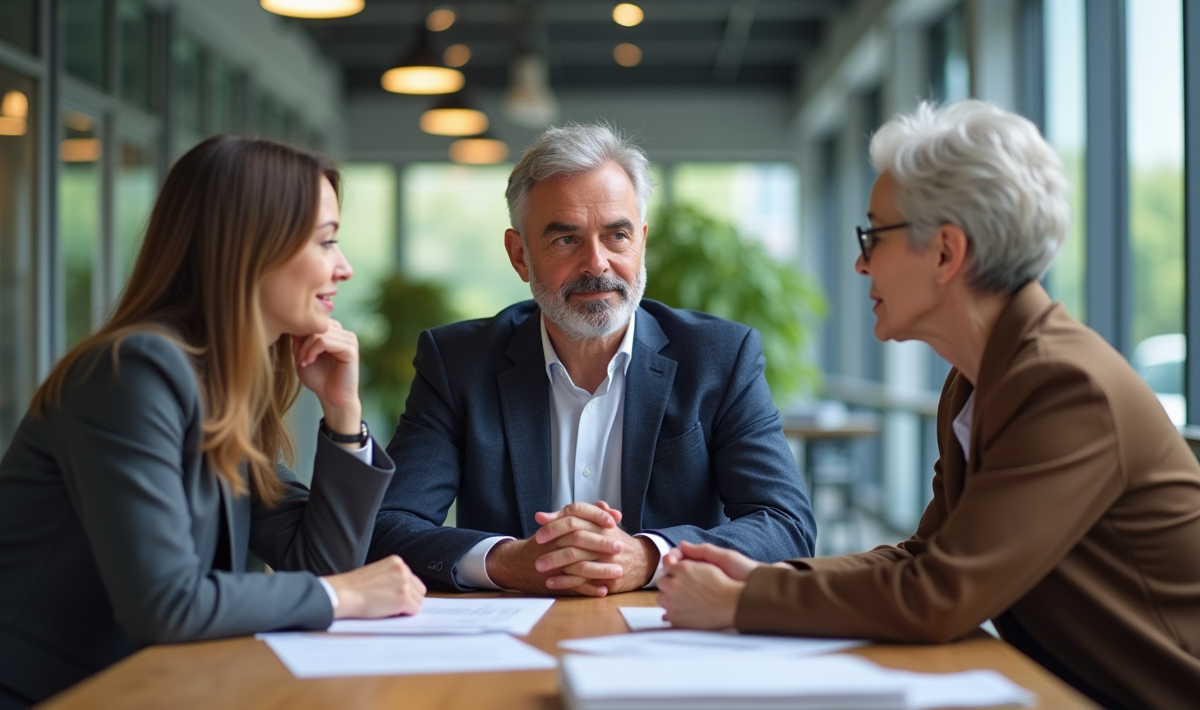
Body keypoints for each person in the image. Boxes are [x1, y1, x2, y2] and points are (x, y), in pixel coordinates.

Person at [656, 100, 1200, 710]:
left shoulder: (1063, 385)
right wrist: (765, 576)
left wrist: (739, 604)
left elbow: (941, 595)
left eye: (873, 234)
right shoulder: (975, 380)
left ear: (945, 252)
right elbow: (925, 556)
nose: (861, 262)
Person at [0, 137, 426, 709]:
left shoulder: (218, 388)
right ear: (251, 247)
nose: (343, 268)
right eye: (326, 241)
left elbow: (319, 561)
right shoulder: (134, 372)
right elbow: (167, 604)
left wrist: (344, 415)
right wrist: (342, 596)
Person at [370, 123, 815, 596]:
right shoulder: (458, 363)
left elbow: (786, 524)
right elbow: (387, 526)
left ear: (640, 241)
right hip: (509, 646)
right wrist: (507, 561)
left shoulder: (720, 358)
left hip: (667, 638)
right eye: (566, 239)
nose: (597, 263)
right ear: (520, 255)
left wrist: (648, 557)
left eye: (616, 235)